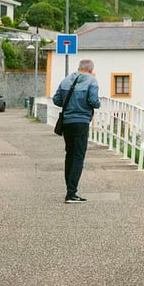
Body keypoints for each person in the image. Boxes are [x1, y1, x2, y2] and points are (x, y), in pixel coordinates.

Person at [53, 59, 101, 203]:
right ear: (91, 69)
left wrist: (71, 103)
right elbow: (94, 102)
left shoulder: (66, 80)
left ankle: (70, 189)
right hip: (81, 122)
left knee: (70, 154)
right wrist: (95, 104)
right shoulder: (92, 81)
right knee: (79, 157)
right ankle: (71, 193)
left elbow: (56, 100)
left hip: (67, 122)